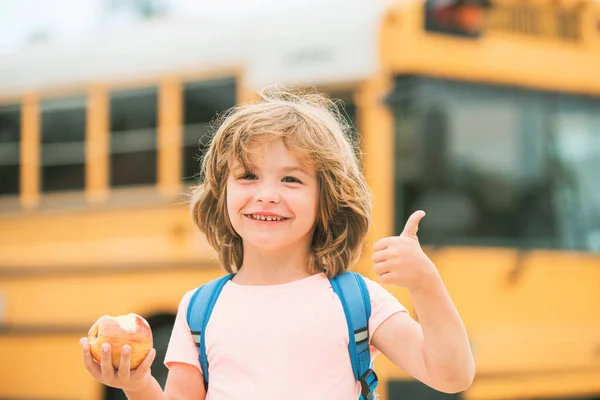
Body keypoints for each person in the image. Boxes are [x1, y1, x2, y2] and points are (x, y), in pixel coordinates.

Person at [80, 88, 475, 400]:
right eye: (248, 176)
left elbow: (450, 375)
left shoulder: (358, 300)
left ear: (328, 201)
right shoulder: (199, 309)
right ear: (222, 193)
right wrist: (136, 383)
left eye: (291, 179)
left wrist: (425, 282)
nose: (267, 194)